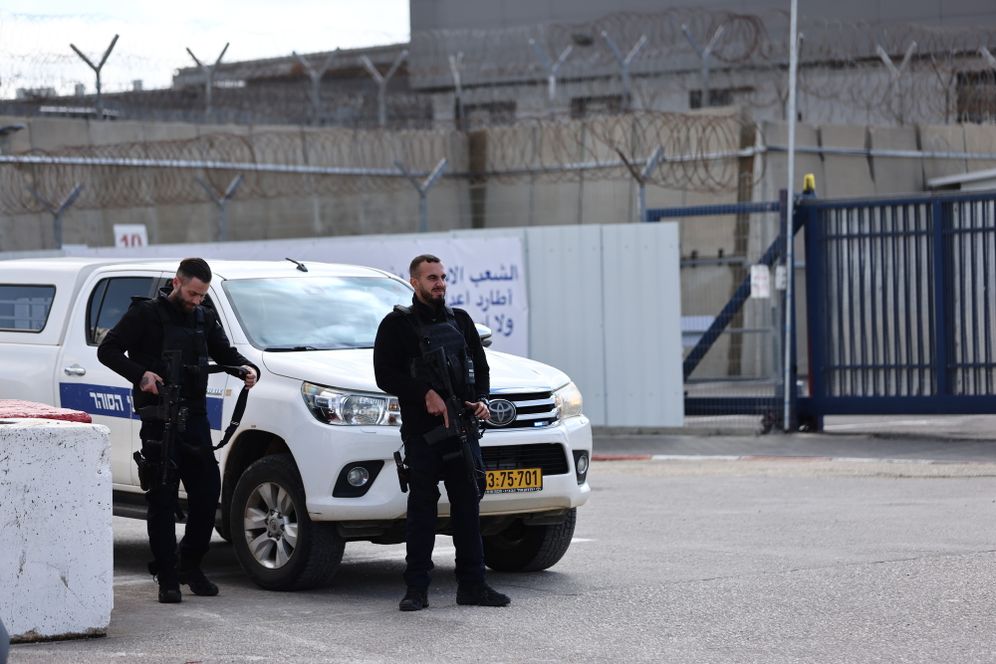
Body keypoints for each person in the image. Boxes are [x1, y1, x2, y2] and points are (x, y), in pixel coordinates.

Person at [98, 258, 257, 604]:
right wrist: (140, 375)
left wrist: (244, 368)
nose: (196, 300)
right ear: (177, 282)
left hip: (195, 418)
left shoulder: (204, 316)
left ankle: (191, 566)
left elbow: (224, 352)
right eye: (192, 293)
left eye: (202, 295)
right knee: (163, 497)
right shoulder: (145, 315)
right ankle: (167, 576)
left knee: (206, 495)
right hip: (158, 418)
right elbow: (107, 350)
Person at [374, 254, 510, 612]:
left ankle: (473, 585)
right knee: (422, 511)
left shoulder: (460, 321)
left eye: (443, 277)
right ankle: (416, 589)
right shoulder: (396, 325)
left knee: (468, 507)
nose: (440, 283)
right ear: (414, 282)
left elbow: (480, 370)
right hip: (423, 434)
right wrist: (425, 394)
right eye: (431, 278)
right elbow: (385, 376)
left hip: (463, 431)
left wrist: (481, 400)